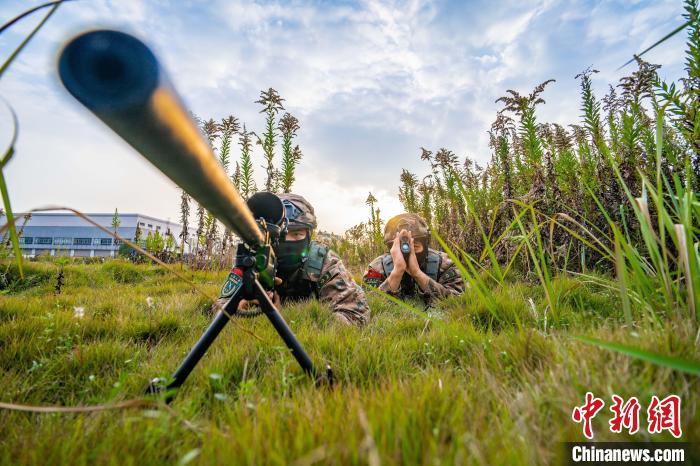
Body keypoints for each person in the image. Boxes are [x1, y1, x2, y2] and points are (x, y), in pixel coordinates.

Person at [217, 193, 370, 326]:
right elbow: (217, 308)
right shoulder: (253, 258)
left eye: (297, 234)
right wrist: (238, 308)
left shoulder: (322, 260)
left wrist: (287, 317)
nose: (288, 241)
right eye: (280, 236)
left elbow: (355, 313)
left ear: (309, 236)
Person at [363, 213, 464, 306]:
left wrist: (417, 273)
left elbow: (457, 302)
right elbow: (368, 305)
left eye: (414, 247)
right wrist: (396, 273)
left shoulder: (445, 263)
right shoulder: (376, 268)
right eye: (400, 248)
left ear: (426, 244)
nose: (407, 252)